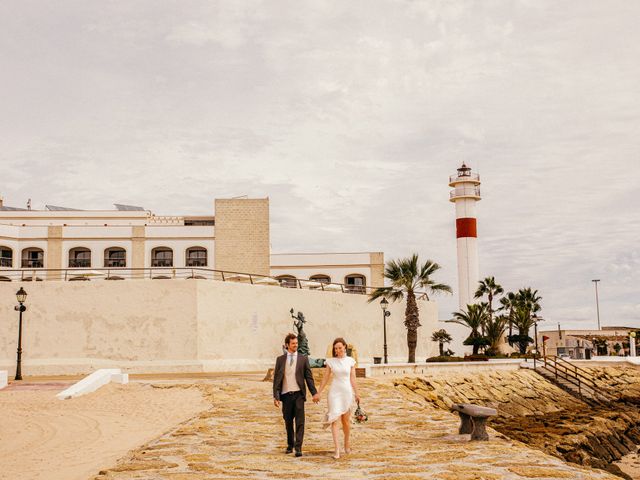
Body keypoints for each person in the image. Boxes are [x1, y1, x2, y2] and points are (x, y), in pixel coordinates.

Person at [313, 337, 361, 459]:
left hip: (346, 392)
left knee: (345, 421)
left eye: (340, 347)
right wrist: (318, 392)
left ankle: (346, 443)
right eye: (336, 348)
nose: (338, 350)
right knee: (334, 419)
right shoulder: (330, 362)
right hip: (334, 393)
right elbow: (325, 378)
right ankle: (337, 450)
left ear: (345, 347)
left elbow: (353, 379)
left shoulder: (350, 361)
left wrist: (357, 393)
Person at [273, 333, 318, 457]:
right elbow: (277, 379)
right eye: (293, 344)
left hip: (298, 395)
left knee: (300, 422)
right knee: (288, 422)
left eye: (296, 343)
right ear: (287, 345)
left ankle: (298, 447)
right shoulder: (280, 360)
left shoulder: (303, 359)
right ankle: (290, 444)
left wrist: (314, 393)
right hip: (286, 395)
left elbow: (309, 378)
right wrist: (276, 396)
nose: (295, 345)